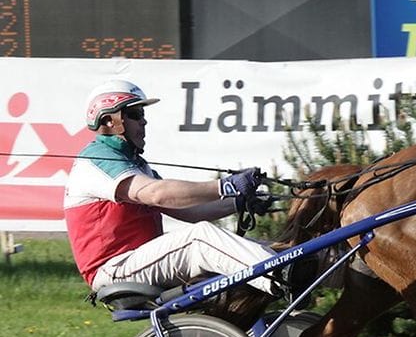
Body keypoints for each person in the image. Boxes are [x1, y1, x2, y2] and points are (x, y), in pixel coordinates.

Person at [64, 79, 281, 298]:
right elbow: (157, 194)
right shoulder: (97, 159)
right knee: (200, 238)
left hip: (137, 263)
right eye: (136, 114)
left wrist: (238, 202)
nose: (144, 121)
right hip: (114, 269)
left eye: (143, 114)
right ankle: (281, 277)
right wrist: (226, 186)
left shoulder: (136, 165)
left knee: (254, 249)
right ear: (110, 120)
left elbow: (190, 211)